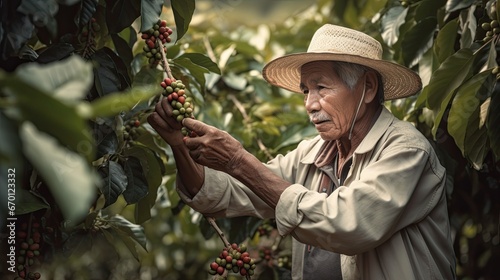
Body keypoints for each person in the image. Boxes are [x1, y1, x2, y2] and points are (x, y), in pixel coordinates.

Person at [148, 24, 456, 279]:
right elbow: (218, 196)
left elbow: (348, 225)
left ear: (369, 88)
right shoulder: (312, 154)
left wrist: (237, 160)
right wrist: (178, 143)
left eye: (322, 87)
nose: (309, 104)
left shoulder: (406, 151)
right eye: (306, 90)